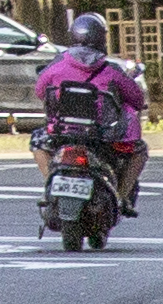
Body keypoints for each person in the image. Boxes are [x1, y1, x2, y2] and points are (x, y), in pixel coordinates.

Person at [36, 13, 150, 220]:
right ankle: (121, 197)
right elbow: (137, 98)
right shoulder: (112, 71)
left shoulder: (57, 66)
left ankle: (49, 185)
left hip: (62, 134)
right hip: (103, 137)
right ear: (101, 39)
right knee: (139, 150)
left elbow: (40, 90)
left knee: (37, 143)